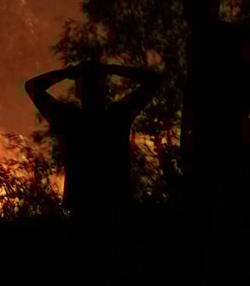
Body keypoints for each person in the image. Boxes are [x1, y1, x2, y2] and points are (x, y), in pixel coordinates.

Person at [24, 61, 162, 218]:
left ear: (78, 92)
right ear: (106, 90)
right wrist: (111, 69)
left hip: (82, 208)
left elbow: (32, 87)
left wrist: (68, 73)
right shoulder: (117, 116)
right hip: (117, 205)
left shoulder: (69, 120)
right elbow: (154, 80)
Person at [178, 0, 250, 221]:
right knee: (232, 201)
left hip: (218, 135)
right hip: (218, 134)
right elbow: (192, 90)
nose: (185, 13)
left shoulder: (210, 40)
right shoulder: (202, 40)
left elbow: (193, 90)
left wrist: (229, 119)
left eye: (188, 6)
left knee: (217, 204)